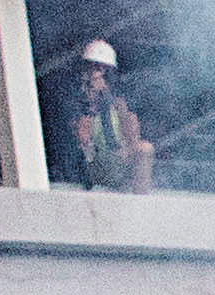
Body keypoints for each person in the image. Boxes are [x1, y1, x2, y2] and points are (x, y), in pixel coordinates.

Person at [49, 39, 153, 191]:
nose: (99, 74)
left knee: (145, 149)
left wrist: (111, 102)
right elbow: (82, 138)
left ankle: (140, 201)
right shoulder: (74, 100)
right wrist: (91, 103)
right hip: (90, 163)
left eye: (104, 69)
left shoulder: (117, 101)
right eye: (94, 67)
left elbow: (132, 134)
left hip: (116, 159)